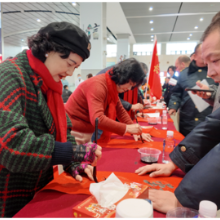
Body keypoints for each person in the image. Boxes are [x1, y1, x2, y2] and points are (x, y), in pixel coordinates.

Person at [0, 22, 102, 219]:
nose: (70, 73)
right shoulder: (9, 75)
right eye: (70, 63)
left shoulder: (50, 84)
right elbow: (13, 147)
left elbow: (65, 128)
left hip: (39, 185)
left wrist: (74, 162)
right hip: (9, 187)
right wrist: (75, 152)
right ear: (49, 50)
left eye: (76, 67)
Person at [135, 16, 220, 214]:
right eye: (207, 63)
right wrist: (175, 162)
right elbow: (213, 126)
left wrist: (184, 198)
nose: (210, 73)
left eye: (215, 60)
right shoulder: (183, 76)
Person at [65, 58, 153, 145]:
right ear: (123, 76)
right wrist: (127, 128)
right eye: (130, 84)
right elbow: (97, 119)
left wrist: (136, 130)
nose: (129, 89)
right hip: (74, 132)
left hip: (86, 130)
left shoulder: (111, 86)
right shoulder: (98, 85)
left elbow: (120, 111)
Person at [168, 48, 216, 136]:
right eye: (203, 53)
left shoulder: (215, 71)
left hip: (208, 117)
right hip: (187, 117)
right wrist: (173, 106)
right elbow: (177, 93)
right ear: (194, 56)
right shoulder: (184, 73)